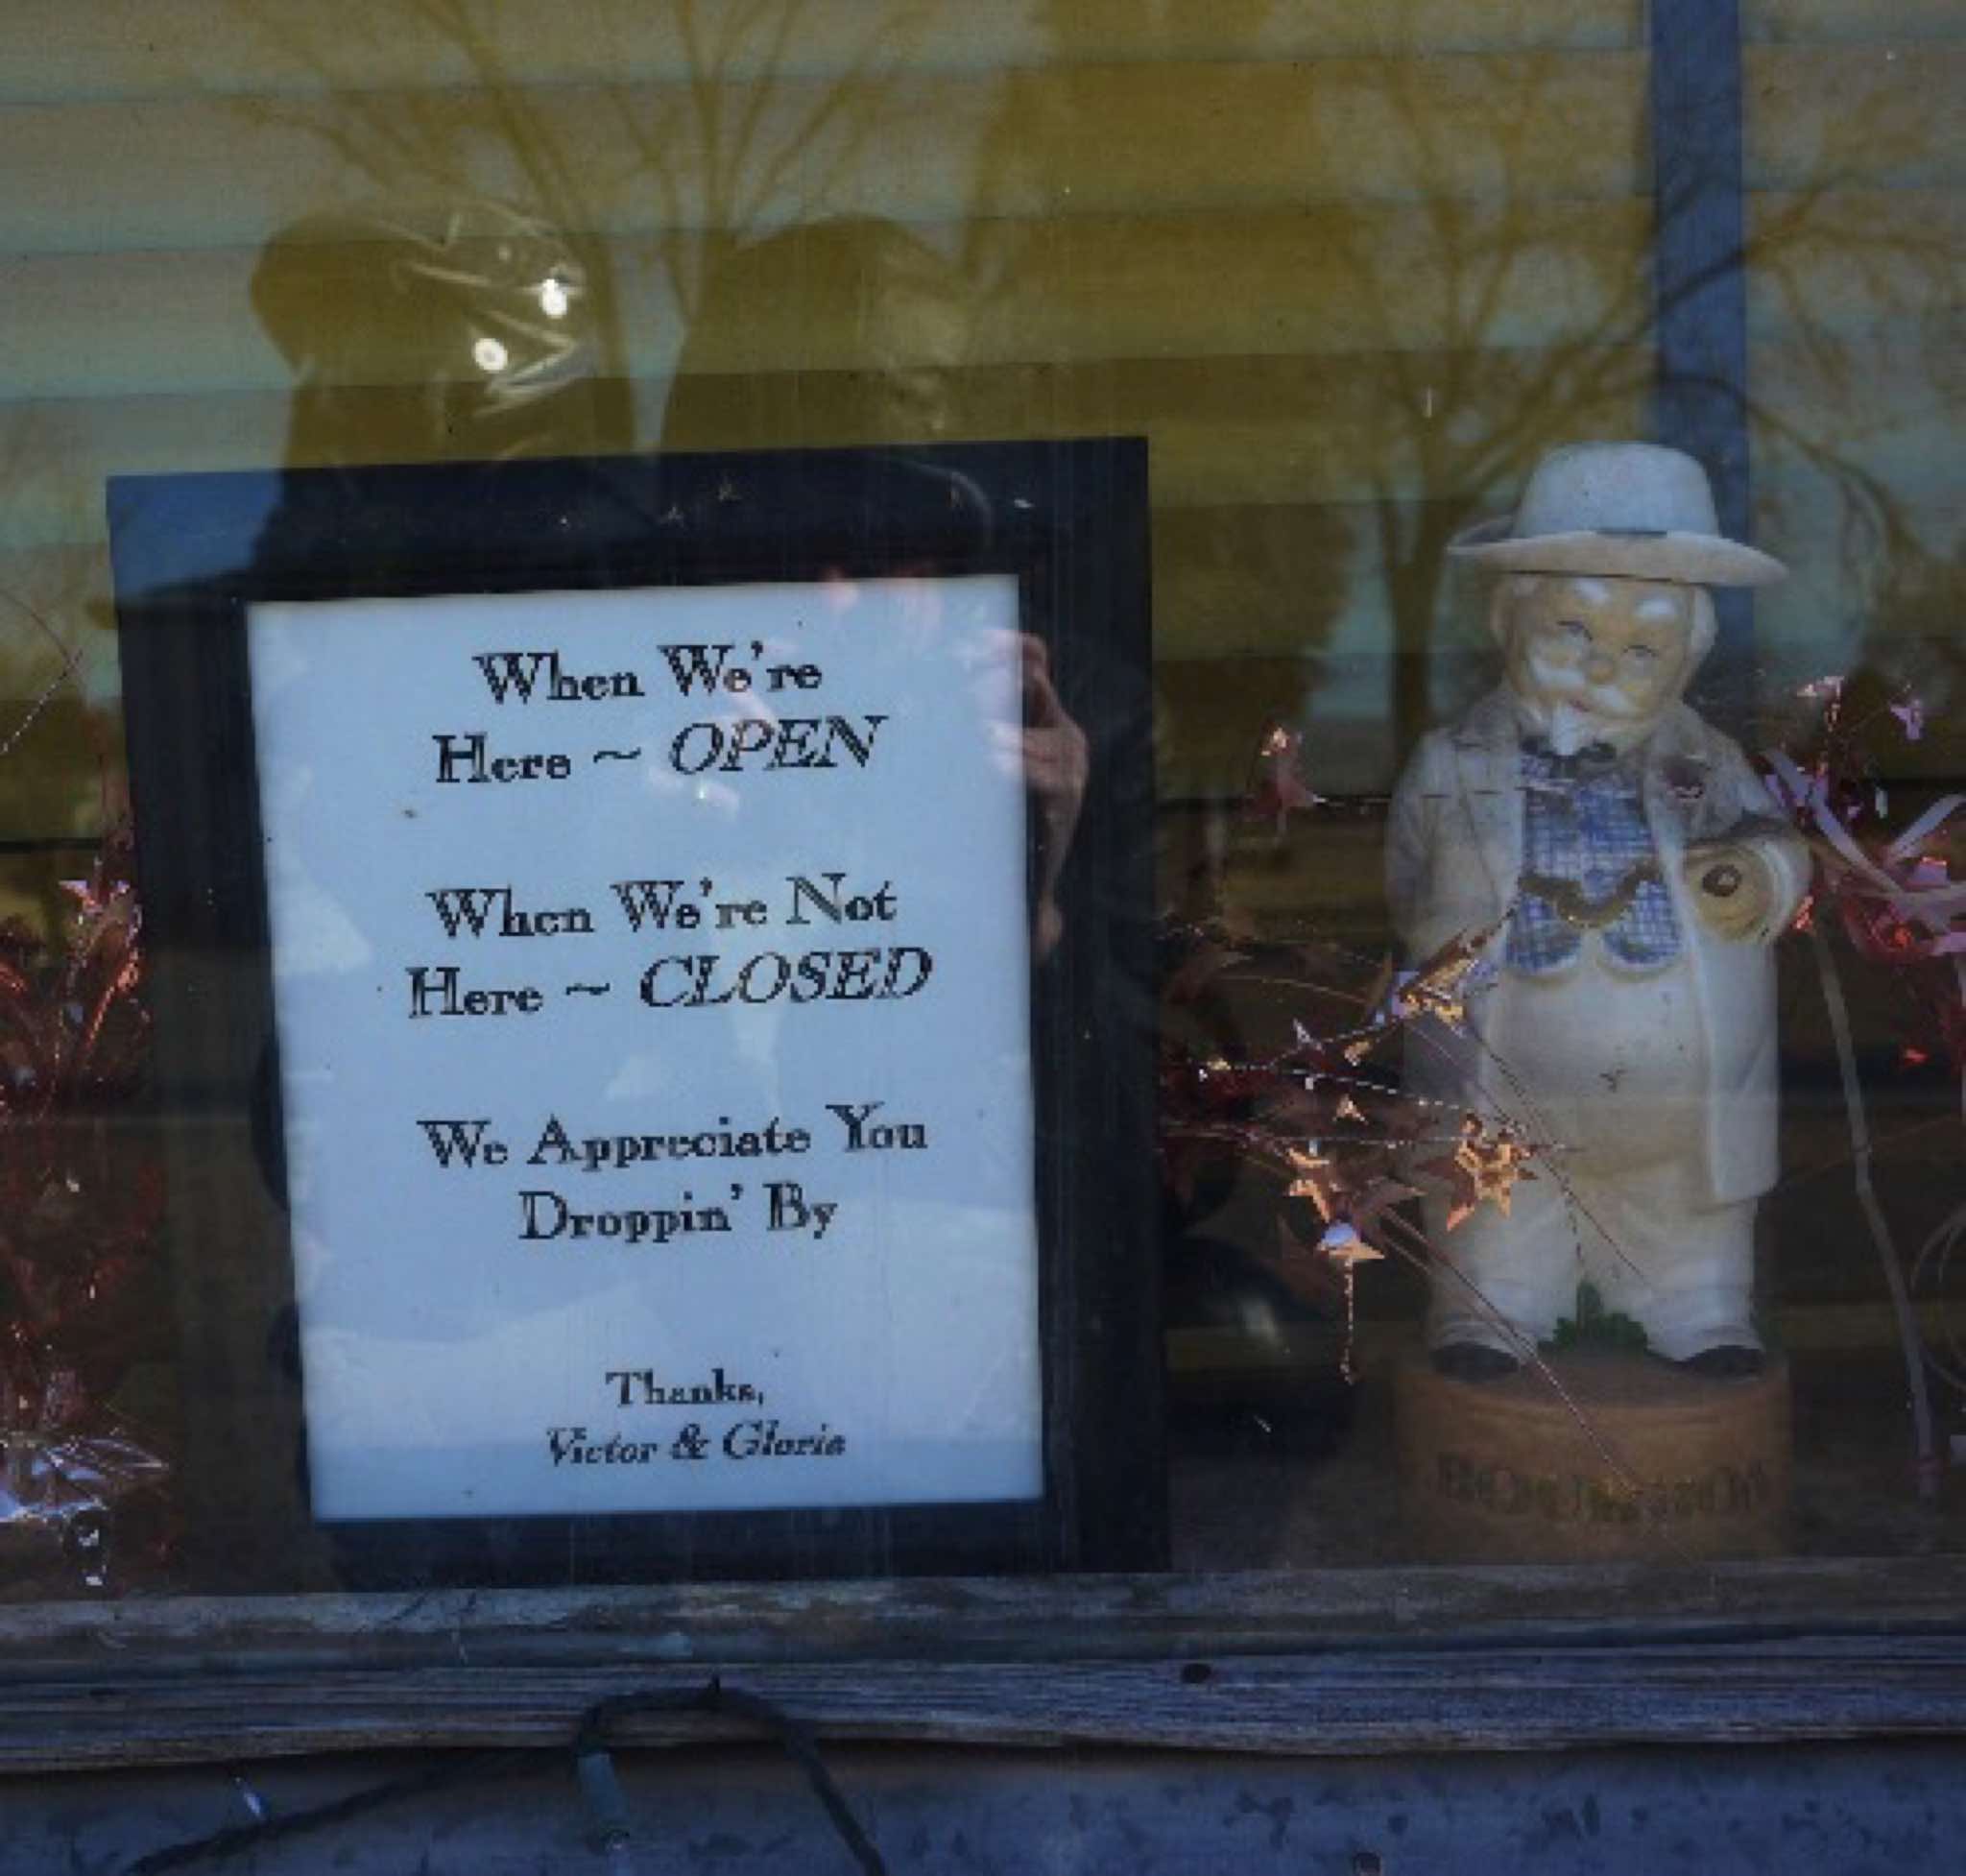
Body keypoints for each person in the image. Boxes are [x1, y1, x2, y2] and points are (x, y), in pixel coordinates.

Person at [1386, 442, 1810, 1382]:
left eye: (1641, 649)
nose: (1602, 664)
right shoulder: (1453, 764)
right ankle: (1492, 1303)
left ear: (1687, 657)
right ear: (1507, 617)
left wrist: (1756, 876)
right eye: (1571, 631)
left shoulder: (1708, 763)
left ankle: (1695, 1300)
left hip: (1680, 1100)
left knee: (1689, 1214)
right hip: (1505, 1079)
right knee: (1493, 1201)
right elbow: (1407, 878)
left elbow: (1779, 847)